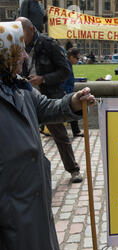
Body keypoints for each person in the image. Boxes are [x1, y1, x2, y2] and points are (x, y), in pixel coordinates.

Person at [0, 21, 96, 250]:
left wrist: (74, 103)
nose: (26, 56)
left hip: (25, 196)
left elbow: (45, 108)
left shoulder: (17, 85)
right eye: (18, 50)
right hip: (8, 198)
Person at [17, 17, 83, 183]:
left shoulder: (49, 44)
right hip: (25, 94)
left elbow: (65, 71)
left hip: (49, 96)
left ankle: (73, 169)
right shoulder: (19, 43)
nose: (20, 39)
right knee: (27, 137)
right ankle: (34, 173)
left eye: (22, 34)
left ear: (31, 30)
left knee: (60, 135)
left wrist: (43, 79)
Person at [63, 47, 84, 138]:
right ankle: (76, 131)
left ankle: (76, 131)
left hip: (68, 91)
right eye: (77, 58)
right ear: (71, 57)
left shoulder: (68, 64)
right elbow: (63, 80)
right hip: (66, 92)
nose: (78, 60)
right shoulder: (66, 65)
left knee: (70, 111)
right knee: (73, 110)